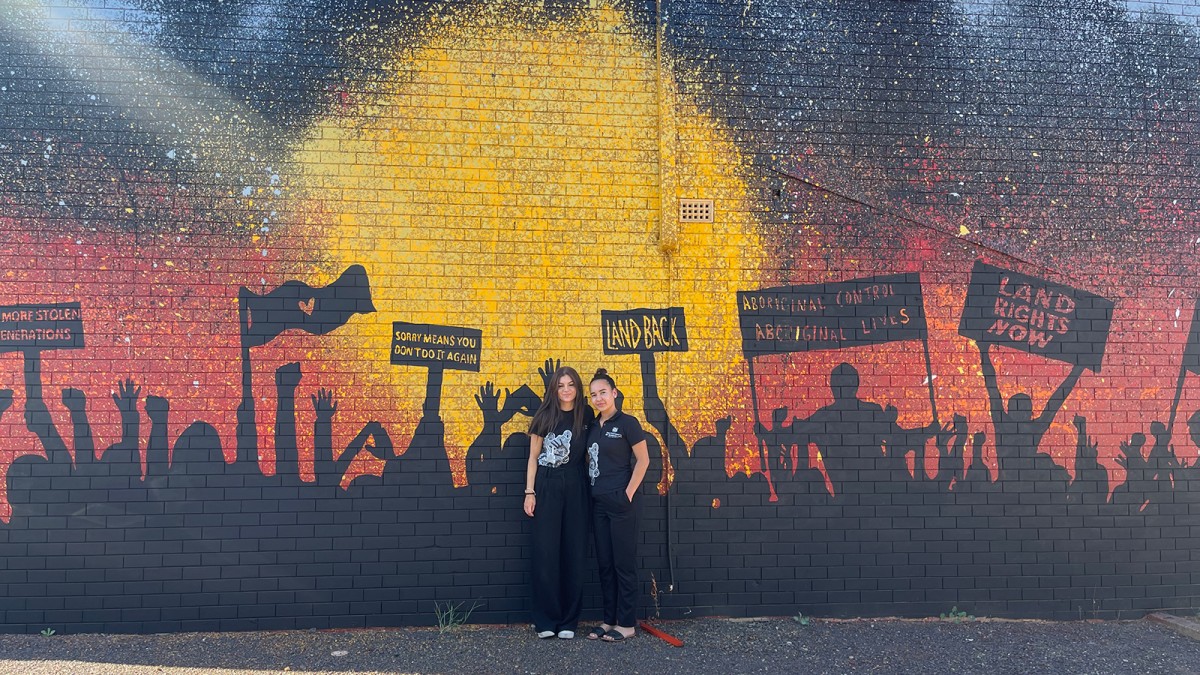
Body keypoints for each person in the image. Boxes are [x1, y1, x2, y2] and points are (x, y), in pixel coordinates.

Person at [524, 366, 594, 639]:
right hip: (547, 484)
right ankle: (545, 620)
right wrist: (530, 492)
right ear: (554, 388)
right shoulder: (543, 415)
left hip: (576, 483)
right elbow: (532, 457)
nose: (566, 389)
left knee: (574, 552)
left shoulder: (586, 415)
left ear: (577, 387)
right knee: (546, 552)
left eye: (571, 384)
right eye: (561, 385)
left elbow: (591, 450)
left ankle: (568, 621)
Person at [584, 368, 649, 642]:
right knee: (605, 565)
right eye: (594, 394)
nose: (599, 398)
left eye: (603, 392)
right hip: (598, 504)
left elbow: (643, 461)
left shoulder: (628, 423)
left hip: (621, 505)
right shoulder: (593, 426)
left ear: (614, 393)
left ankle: (627, 623)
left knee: (623, 565)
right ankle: (609, 620)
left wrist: (628, 494)